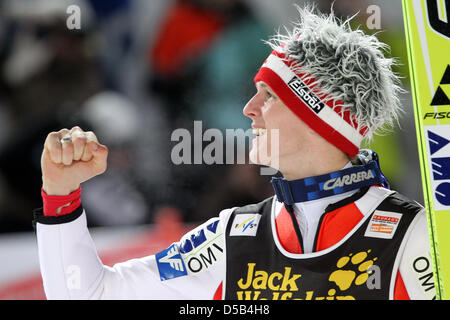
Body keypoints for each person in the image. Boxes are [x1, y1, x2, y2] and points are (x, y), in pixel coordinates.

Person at [34, 6, 434, 300]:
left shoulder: (413, 239)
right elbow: (87, 295)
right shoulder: (233, 237)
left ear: (318, 114)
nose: (249, 109)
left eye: (270, 96)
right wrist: (60, 194)